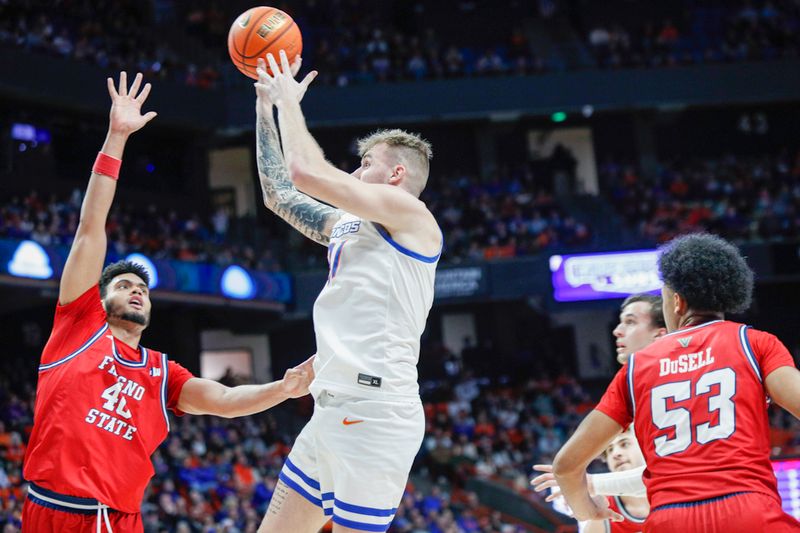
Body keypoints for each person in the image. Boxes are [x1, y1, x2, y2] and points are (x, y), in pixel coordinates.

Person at [22, 72, 315, 533]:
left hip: (119, 519)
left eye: (141, 289)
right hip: (52, 508)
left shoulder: (162, 372)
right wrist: (116, 137)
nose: (136, 291)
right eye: (122, 286)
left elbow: (223, 399)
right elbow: (91, 227)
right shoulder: (78, 326)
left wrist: (281, 389)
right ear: (97, 300)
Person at [253, 51, 442, 533]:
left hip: (376, 416)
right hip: (329, 408)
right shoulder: (349, 224)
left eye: (365, 164)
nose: (356, 174)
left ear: (396, 175)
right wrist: (264, 107)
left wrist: (289, 101)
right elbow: (280, 195)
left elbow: (307, 174)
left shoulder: (411, 217)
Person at [551, 233, 800, 532]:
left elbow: (566, 466)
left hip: (671, 518)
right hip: (748, 510)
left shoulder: (636, 368)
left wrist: (587, 509)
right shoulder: (755, 343)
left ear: (678, 302)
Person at [532, 294, 665, 531]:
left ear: (660, 334)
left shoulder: (666, 387)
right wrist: (582, 498)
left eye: (631, 322)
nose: (617, 330)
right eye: (611, 449)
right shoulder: (629, 382)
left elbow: (566, 466)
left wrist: (585, 487)